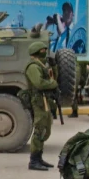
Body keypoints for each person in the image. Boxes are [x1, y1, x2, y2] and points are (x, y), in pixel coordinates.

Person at [24, 41, 56, 171]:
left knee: (45, 129)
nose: (45, 53)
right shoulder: (33, 66)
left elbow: (52, 77)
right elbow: (39, 83)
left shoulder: (41, 65)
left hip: (45, 100)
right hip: (38, 100)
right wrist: (53, 84)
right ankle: (34, 160)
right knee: (39, 129)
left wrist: (55, 67)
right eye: (42, 50)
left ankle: (39, 157)